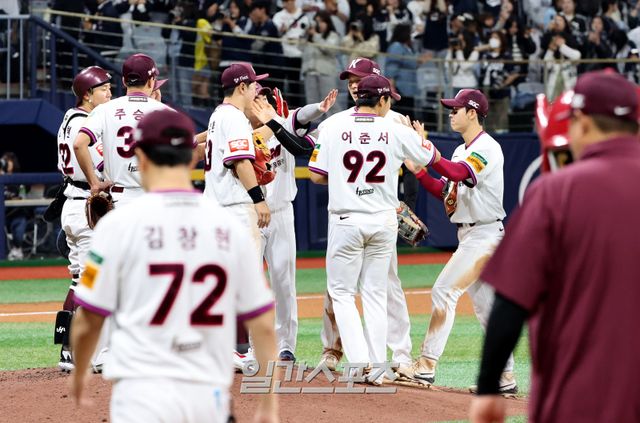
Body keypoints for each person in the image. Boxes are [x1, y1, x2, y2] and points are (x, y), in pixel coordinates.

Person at [69, 108, 279, 423]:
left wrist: (80, 374)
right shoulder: (228, 227)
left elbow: (88, 318)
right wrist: (269, 403)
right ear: (192, 158)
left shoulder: (116, 226)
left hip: (141, 396)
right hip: (207, 396)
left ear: (141, 157)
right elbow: (262, 323)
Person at [469, 71, 640, 423]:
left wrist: (488, 391)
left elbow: (510, 305)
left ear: (582, 123)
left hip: (576, 403)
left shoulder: (556, 192)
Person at [309, 74, 438, 383]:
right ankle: (378, 367)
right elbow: (428, 157)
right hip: (382, 221)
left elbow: (315, 175)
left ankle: (360, 363)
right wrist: (418, 136)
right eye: (388, 99)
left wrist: (344, 179)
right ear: (382, 100)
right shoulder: (395, 129)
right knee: (376, 294)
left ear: (358, 97)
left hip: (347, 220)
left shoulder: (333, 127)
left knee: (342, 293)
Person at [404, 88, 517, 392]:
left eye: (456, 109)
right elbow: (446, 189)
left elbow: (459, 173)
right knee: (487, 310)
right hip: (471, 234)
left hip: (485, 235)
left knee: (444, 291)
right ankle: (505, 378)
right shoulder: (459, 150)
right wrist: (420, 171)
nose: (451, 114)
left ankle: (426, 366)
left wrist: (429, 151)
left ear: (472, 113)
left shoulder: (488, 147)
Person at [250, 85, 338, 363]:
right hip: (250, 214)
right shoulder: (238, 129)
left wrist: (319, 108)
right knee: (250, 282)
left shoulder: (281, 123)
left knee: (284, 281)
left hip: (281, 213)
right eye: (256, 99)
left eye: (265, 98)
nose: (261, 103)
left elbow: (301, 116)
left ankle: (285, 345)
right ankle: (252, 347)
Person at [54, 66, 112, 372]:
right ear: (87, 94)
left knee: (81, 280)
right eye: (103, 89)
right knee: (94, 280)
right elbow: (104, 164)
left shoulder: (69, 117)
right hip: (86, 208)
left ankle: (67, 350)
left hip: (72, 205)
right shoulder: (86, 123)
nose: (110, 93)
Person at [74, 53, 171, 207]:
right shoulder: (165, 112)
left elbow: (79, 144)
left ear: (124, 81)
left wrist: (94, 183)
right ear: (151, 81)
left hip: (119, 199)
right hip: (154, 198)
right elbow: (190, 149)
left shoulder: (105, 109)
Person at [1, 152, 27, 261]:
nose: (6, 163)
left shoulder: (19, 178)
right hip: (3, 214)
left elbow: (23, 197)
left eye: (8, 161)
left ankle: (17, 248)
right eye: (4, 161)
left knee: (19, 223)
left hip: (16, 213)